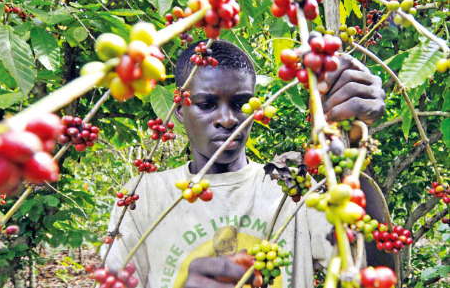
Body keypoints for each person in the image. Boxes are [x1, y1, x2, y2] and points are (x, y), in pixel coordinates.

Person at [102, 40, 386, 288]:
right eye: (206, 104)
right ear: (179, 109)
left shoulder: (293, 190)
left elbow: (367, 270)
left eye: (240, 104)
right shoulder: (143, 198)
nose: (227, 120)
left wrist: (354, 140)